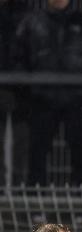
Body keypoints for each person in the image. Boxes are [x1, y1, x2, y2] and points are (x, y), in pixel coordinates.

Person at [15, 0, 82, 186]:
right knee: (37, 155)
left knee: (80, 154)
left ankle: (81, 208)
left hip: (75, 99)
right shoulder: (31, 23)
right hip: (41, 99)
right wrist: (30, 89)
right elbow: (19, 57)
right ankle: (36, 207)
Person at [0, 0, 29, 186]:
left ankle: (21, 194)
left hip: (22, 86)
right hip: (14, 83)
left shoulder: (26, 16)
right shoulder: (27, 15)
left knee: (22, 144)